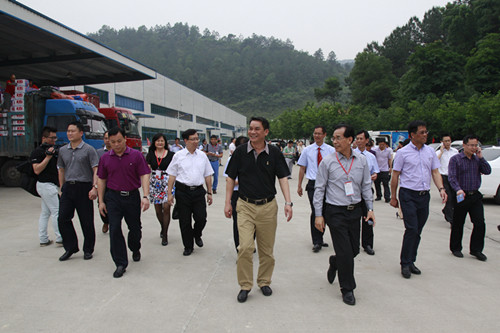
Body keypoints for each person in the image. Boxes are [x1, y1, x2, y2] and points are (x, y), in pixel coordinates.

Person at [224, 116, 293, 303]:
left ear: (266, 132)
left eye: (256, 129)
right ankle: (245, 285)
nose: (252, 132)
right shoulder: (239, 152)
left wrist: (288, 202)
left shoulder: (274, 152)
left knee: (266, 250)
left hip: (268, 207)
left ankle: (264, 281)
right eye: (250, 128)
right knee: (245, 247)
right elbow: (230, 177)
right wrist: (227, 202)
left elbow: (283, 178)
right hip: (245, 206)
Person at [314, 124, 374, 306]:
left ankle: (335, 262)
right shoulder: (328, 161)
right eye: (333, 138)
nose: (335, 141)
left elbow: (365, 185)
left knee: (353, 250)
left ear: (350, 140)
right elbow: (319, 189)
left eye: (339, 138)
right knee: (346, 251)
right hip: (335, 211)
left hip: (355, 210)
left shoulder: (362, 161)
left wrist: (370, 208)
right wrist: (318, 214)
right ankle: (347, 289)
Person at [390, 120, 447, 279]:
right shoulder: (402, 153)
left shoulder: (429, 152)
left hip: (424, 195)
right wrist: (393, 197)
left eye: (426, 132)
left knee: (418, 230)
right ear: (412, 135)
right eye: (422, 132)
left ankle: (411, 260)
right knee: (412, 229)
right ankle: (405, 263)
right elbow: (395, 175)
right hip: (408, 195)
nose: (425, 135)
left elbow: (435, 172)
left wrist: (441, 189)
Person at [97, 127, 151, 278]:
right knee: (114, 229)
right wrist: (101, 201)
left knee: (134, 228)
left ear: (125, 139)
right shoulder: (105, 158)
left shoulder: (136, 155)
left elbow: (145, 174)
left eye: (119, 141)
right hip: (113, 198)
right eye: (112, 142)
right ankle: (120, 263)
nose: (116, 144)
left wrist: (145, 196)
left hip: (132, 197)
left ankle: (135, 247)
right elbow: (101, 179)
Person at [57, 121, 99, 261]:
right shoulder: (63, 150)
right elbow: (61, 169)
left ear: (81, 133)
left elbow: (96, 170)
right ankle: (70, 247)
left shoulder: (89, 150)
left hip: (84, 187)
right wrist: (61, 187)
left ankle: (88, 249)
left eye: (73, 131)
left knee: (86, 220)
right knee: (62, 218)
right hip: (68, 187)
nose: (70, 133)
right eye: (68, 131)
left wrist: (95, 187)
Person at [167, 129, 213, 256]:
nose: (196, 141)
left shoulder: (202, 155)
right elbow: (172, 175)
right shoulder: (178, 156)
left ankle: (197, 234)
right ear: (185, 140)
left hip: (198, 192)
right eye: (193, 139)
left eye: (197, 139)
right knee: (185, 221)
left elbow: (208, 175)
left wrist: (209, 193)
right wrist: (169, 193)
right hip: (183, 192)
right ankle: (188, 246)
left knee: (201, 218)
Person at [448, 134, 491, 261]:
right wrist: (458, 189)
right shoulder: (456, 159)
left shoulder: (477, 159)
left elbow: (487, 171)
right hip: (462, 195)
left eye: (475, 145)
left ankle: (476, 249)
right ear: (464, 145)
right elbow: (452, 177)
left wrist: (481, 157)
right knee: (458, 223)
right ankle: (456, 248)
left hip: (475, 195)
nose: (473, 148)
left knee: (479, 223)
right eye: (471, 145)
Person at [297, 125, 335, 253]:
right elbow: (302, 168)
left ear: (324, 135)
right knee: (316, 210)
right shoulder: (307, 150)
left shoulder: (331, 150)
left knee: (325, 210)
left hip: (328, 184)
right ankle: (316, 241)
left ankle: (321, 236)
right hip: (313, 184)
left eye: (319, 133)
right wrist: (299, 185)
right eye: (315, 133)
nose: (317, 136)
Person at [30, 126, 62, 247]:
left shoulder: (52, 150)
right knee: (56, 211)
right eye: (52, 138)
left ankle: (43, 239)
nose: (54, 140)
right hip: (45, 185)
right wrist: (48, 157)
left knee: (45, 213)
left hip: (49, 186)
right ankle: (60, 237)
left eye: (55, 138)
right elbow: (36, 170)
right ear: (44, 138)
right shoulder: (38, 152)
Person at [146, 133, 175, 246]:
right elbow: (147, 170)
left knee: (167, 207)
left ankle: (165, 234)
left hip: (167, 182)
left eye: (162, 141)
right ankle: (163, 227)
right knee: (158, 210)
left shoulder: (171, 155)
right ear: (154, 142)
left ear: (165, 142)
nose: (160, 143)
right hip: (155, 183)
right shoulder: (150, 155)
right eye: (158, 141)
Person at [354, 130, 380, 255]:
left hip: (367, 190)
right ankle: (353, 242)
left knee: (368, 216)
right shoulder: (351, 155)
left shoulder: (371, 157)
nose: (358, 141)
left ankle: (368, 243)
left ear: (367, 141)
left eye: (361, 139)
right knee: (353, 218)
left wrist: (374, 175)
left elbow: (375, 171)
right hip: (353, 191)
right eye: (357, 138)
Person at [223, 136, 249, 251]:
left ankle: (249, 243)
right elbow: (229, 179)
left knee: (251, 222)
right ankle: (239, 248)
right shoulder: (232, 159)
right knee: (238, 222)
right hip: (237, 193)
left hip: (251, 194)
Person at [436, 134, 459, 224]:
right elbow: (435, 163)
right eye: (445, 141)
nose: (447, 143)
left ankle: (446, 210)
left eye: (449, 141)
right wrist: (441, 152)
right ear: (442, 142)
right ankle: (451, 219)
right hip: (443, 176)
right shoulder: (438, 152)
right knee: (448, 197)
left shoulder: (455, 151)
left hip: (453, 176)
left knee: (454, 197)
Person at [97, 131, 111, 233]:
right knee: (101, 204)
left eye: (109, 138)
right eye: (105, 138)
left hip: (115, 185)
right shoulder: (99, 153)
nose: (107, 140)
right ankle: (106, 222)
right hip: (103, 184)